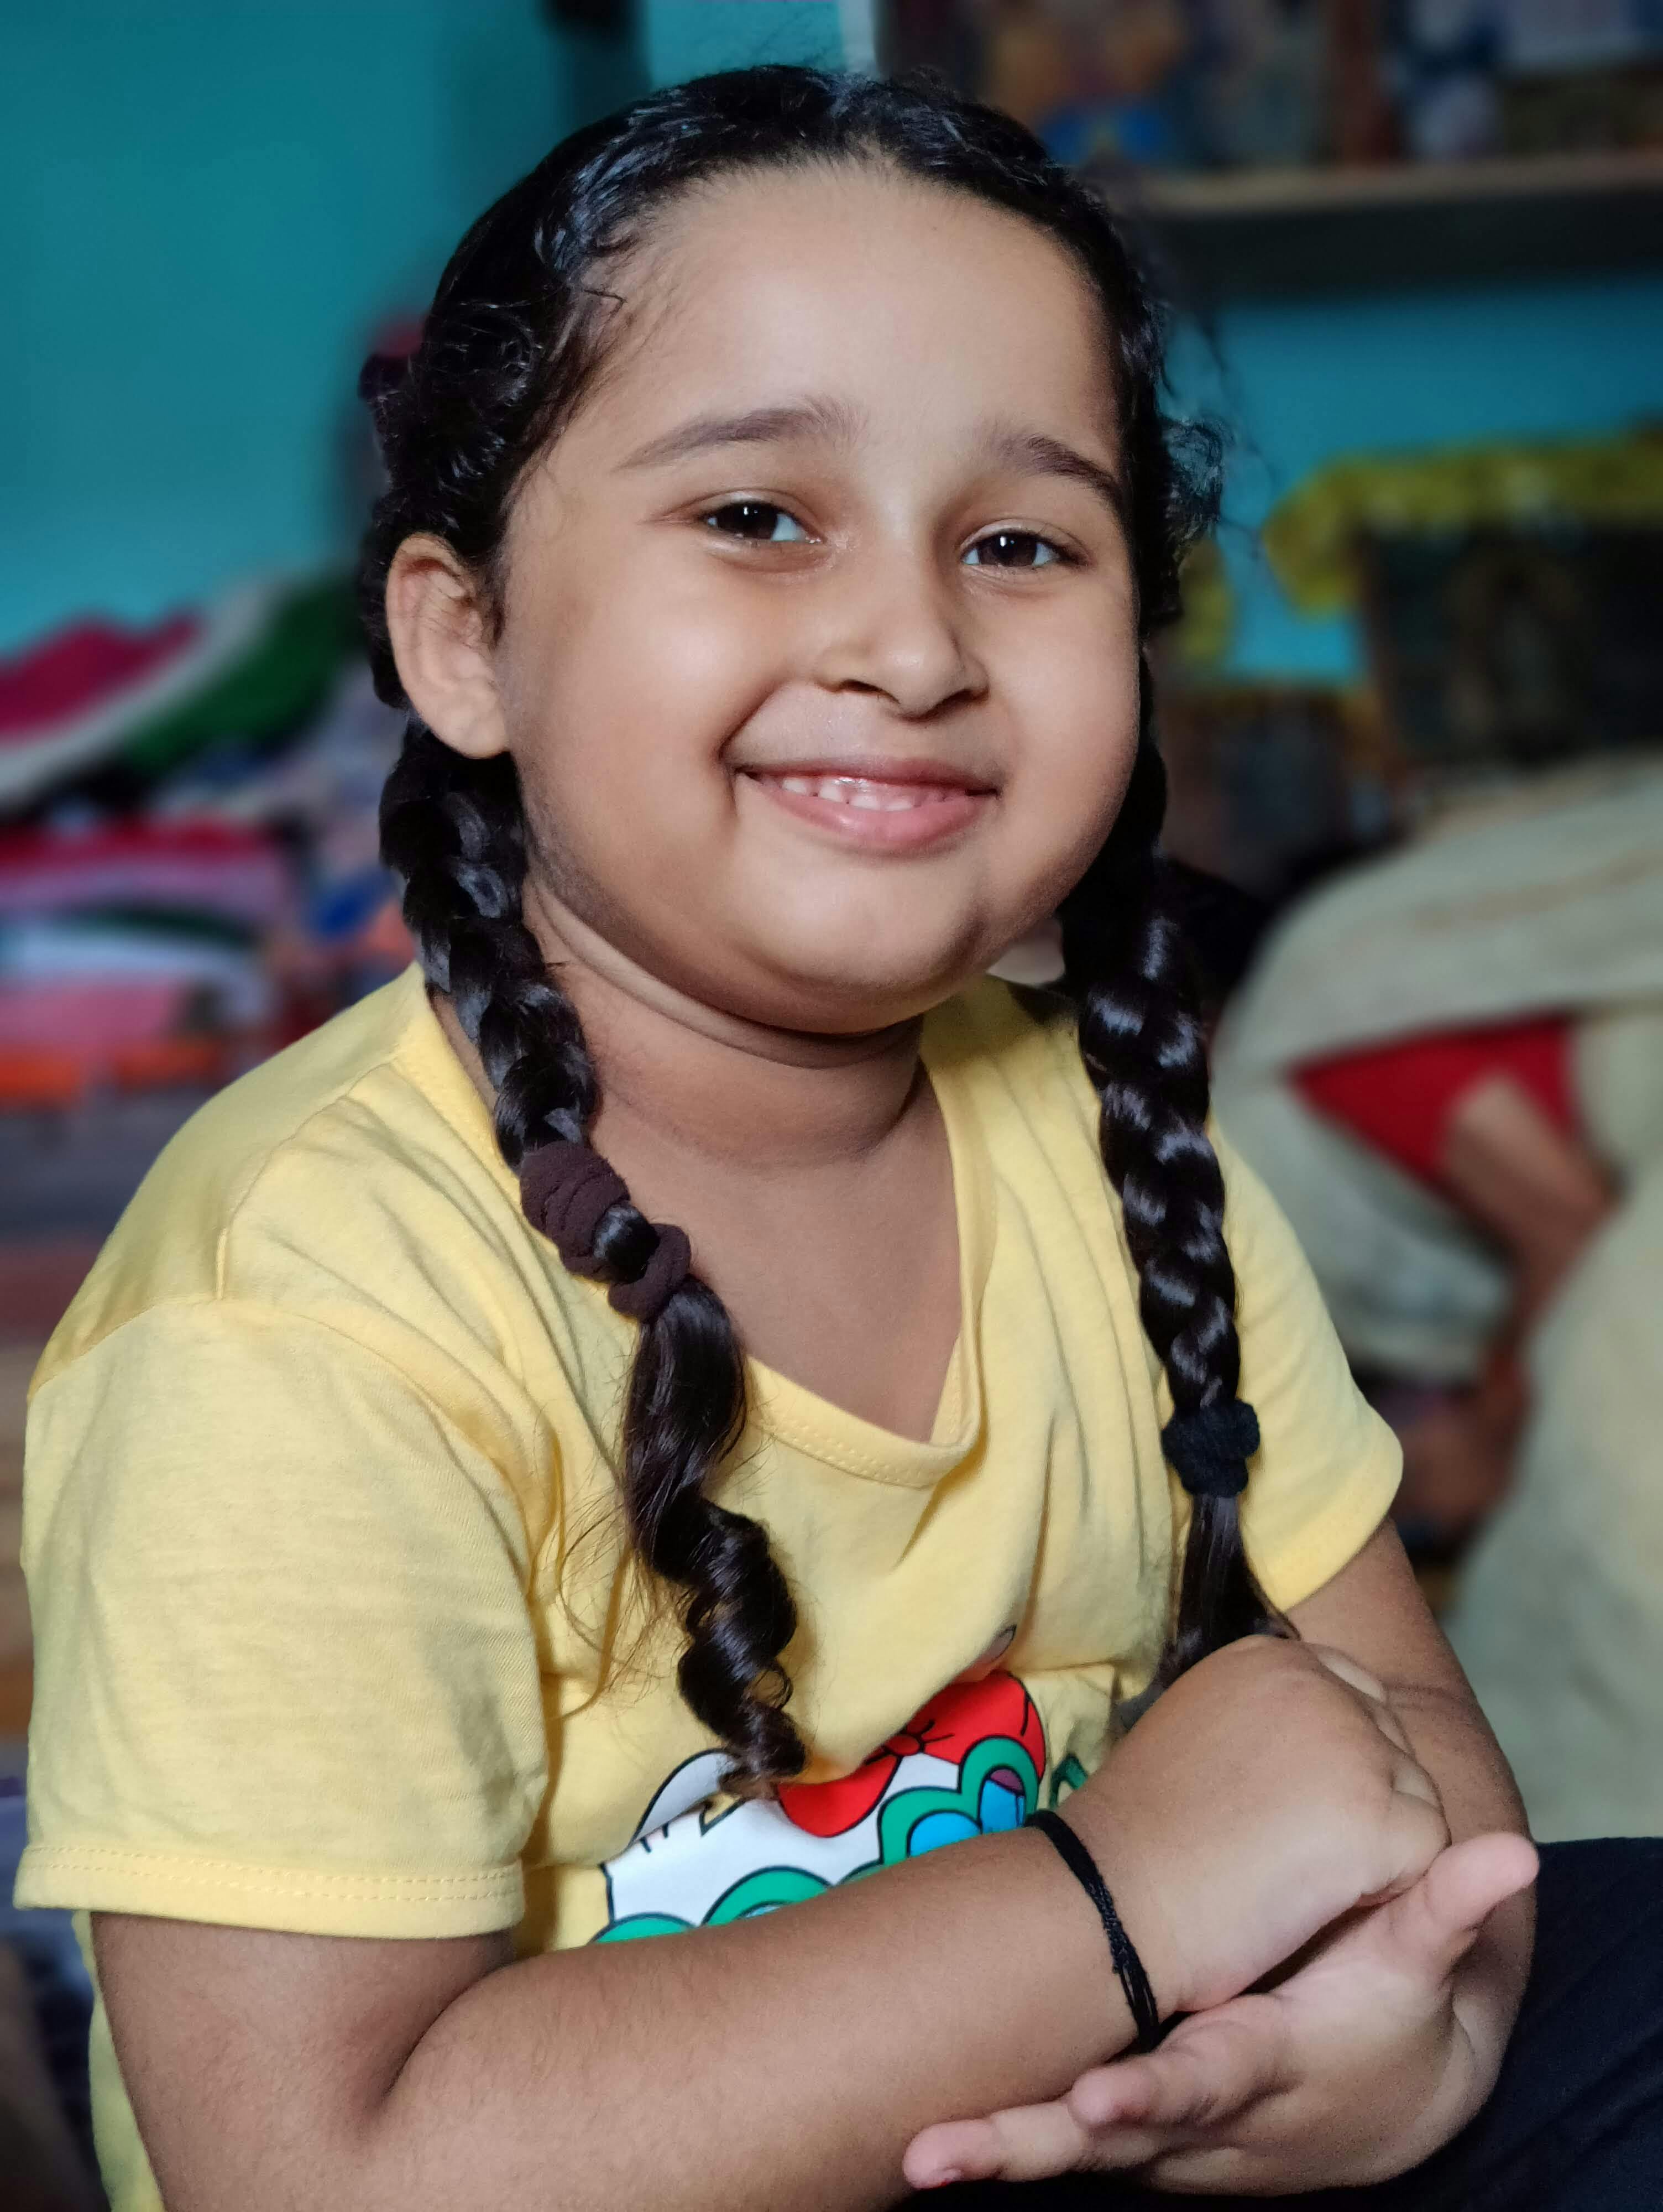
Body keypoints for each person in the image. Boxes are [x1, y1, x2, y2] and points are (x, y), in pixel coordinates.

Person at [11, 68, 1657, 2212]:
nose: (907, 643)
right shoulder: (294, 1307)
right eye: (756, 516)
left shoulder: (1109, 1126)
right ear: (465, 636)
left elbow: (1411, 1753)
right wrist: (1116, 1890)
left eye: (1017, 542)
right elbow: (317, 2168)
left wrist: (1399, 2033)